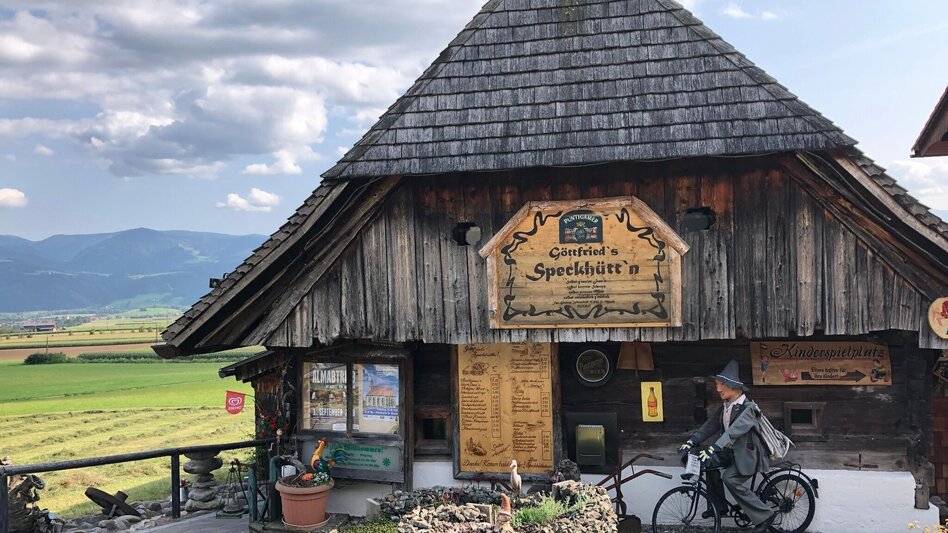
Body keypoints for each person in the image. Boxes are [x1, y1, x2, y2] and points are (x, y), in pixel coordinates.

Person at [678, 360, 776, 533]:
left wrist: (714, 447)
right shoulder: (726, 406)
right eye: (717, 384)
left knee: (729, 479)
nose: (718, 389)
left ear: (732, 385)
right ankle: (719, 507)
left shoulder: (749, 408)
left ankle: (766, 515)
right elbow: (710, 425)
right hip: (731, 454)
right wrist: (692, 441)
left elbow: (733, 432)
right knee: (708, 464)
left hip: (748, 456)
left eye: (721, 384)